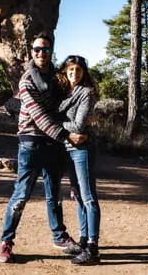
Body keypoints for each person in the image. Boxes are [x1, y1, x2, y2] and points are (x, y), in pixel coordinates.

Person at [0, 32, 86, 263]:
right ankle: (6, 242)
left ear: (51, 52)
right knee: (21, 195)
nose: (40, 53)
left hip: (53, 144)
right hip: (31, 142)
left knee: (54, 195)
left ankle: (59, 237)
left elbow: (67, 103)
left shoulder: (57, 80)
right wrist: (67, 135)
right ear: (31, 51)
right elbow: (39, 116)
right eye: (37, 49)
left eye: (45, 50)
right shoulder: (26, 80)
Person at [57, 54, 101, 265]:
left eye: (78, 70)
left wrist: (56, 124)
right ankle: (83, 240)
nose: (74, 73)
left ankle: (93, 247)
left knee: (89, 196)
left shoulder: (86, 93)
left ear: (84, 73)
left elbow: (79, 126)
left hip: (82, 148)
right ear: (65, 71)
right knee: (77, 196)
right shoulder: (64, 93)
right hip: (67, 148)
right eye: (70, 69)